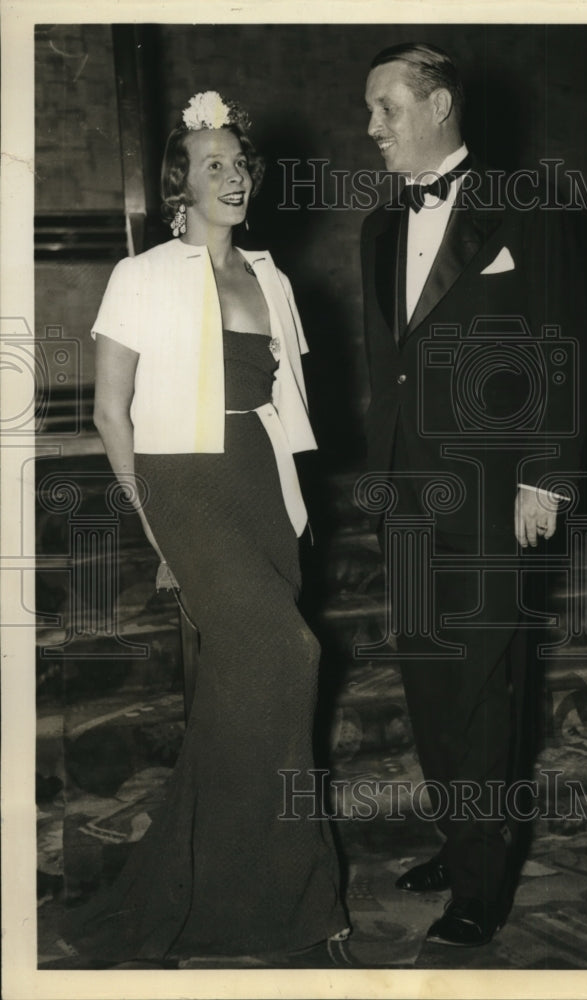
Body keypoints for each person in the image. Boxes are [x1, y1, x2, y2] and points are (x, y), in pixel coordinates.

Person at [62, 91, 349, 966]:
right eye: (212, 164)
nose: (233, 177)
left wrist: (295, 496)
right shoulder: (139, 275)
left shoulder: (270, 276)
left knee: (240, 695)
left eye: (240, 164)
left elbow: (285, 402)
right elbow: (113, 415)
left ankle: (196, 888)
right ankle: (301, 903)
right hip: (183, 482)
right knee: (289, 656)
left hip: (260, 480)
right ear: (177, 183)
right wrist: (156, 527)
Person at [360, 44, 587, 945]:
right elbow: (390, 367)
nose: (371, 126)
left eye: (386, 107)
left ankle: (483, 882)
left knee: (486, 684)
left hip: (497, 493)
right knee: (428, 678)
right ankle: (464, 841)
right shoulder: (380, 227)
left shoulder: (525, 205)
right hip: (409, 496)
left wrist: (544, 474)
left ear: (440, 105)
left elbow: (564, 345)